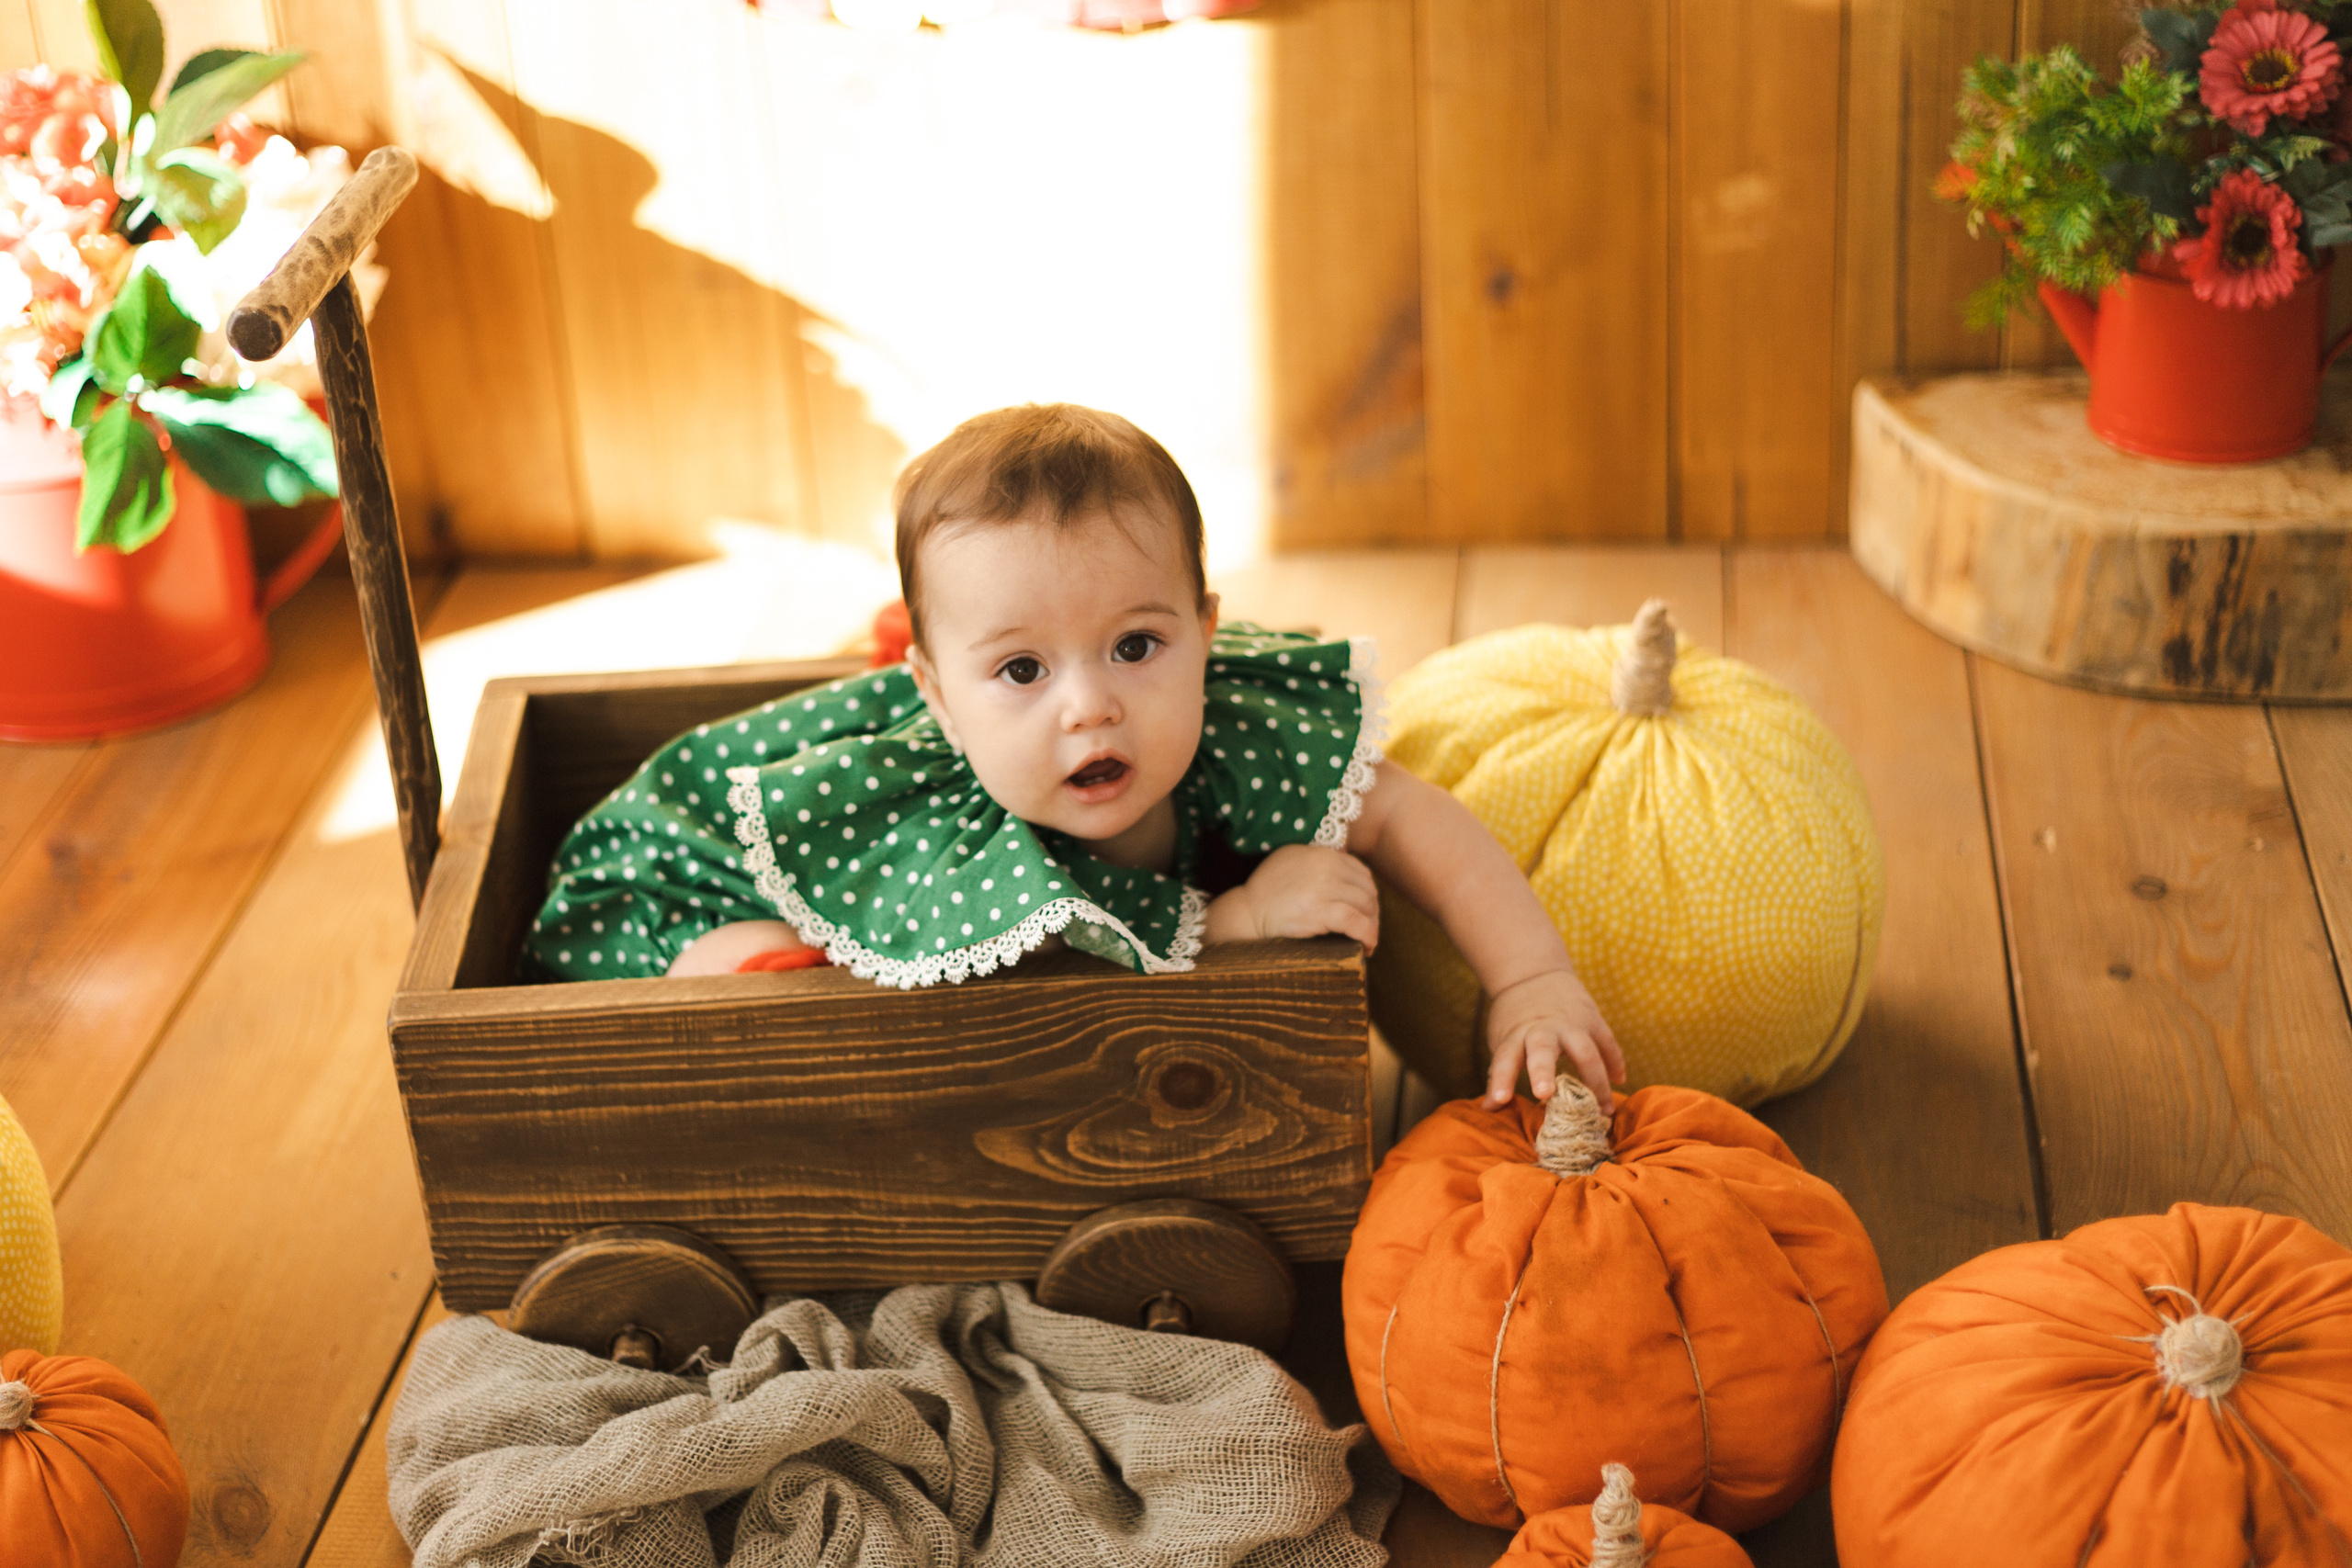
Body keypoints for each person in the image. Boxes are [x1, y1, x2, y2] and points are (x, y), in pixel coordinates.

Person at [526, 404, 1623, 1109]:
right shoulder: (948, 841)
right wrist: (1234, 925)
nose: (1091, 706)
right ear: (938, 697)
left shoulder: (1228, 718)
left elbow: (1408, 815)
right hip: (675, 884)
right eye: (1019, 672)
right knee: (784, 992)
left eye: (1136, 646)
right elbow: (1016, 998)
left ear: (1204, 627)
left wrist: (1529, 981)